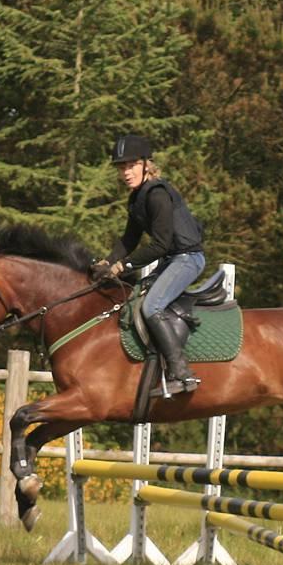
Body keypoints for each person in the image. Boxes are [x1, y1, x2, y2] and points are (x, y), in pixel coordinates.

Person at [91, 134, 205, 394]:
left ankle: (181, 373)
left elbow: (161, 245)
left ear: (145, 164)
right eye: (121, 167)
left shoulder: (156, 194)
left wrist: (122, 266)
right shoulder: (137, 197)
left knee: (152, 306)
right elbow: (129, 239)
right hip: (173, 259)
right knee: (134, 300)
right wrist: (106, 262)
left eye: (130, 166)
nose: (125, 172)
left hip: (188, 259)